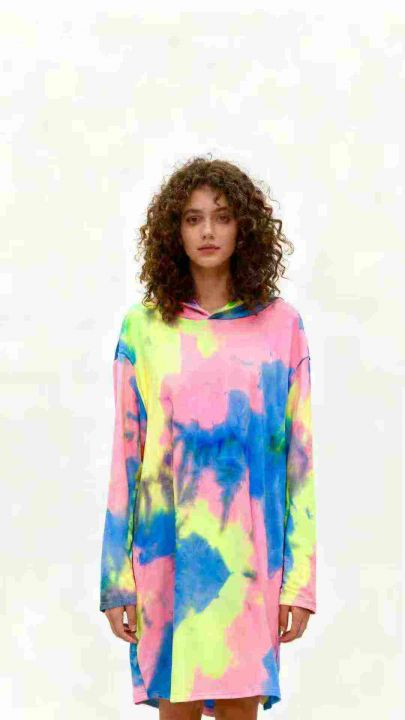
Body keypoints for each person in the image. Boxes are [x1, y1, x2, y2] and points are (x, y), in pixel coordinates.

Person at [99, 156, 316, 720]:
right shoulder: (144, 328)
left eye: (221, 217)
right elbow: (125, 459)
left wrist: (299, 583)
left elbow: (299, 466)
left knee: (241, 710)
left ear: (244, 228)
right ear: (174, 232)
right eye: (193, 219)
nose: (208, 231)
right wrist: (115, 579)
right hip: (165, 557)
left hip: (248, 563)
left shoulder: (281, 327)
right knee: (175, 709)